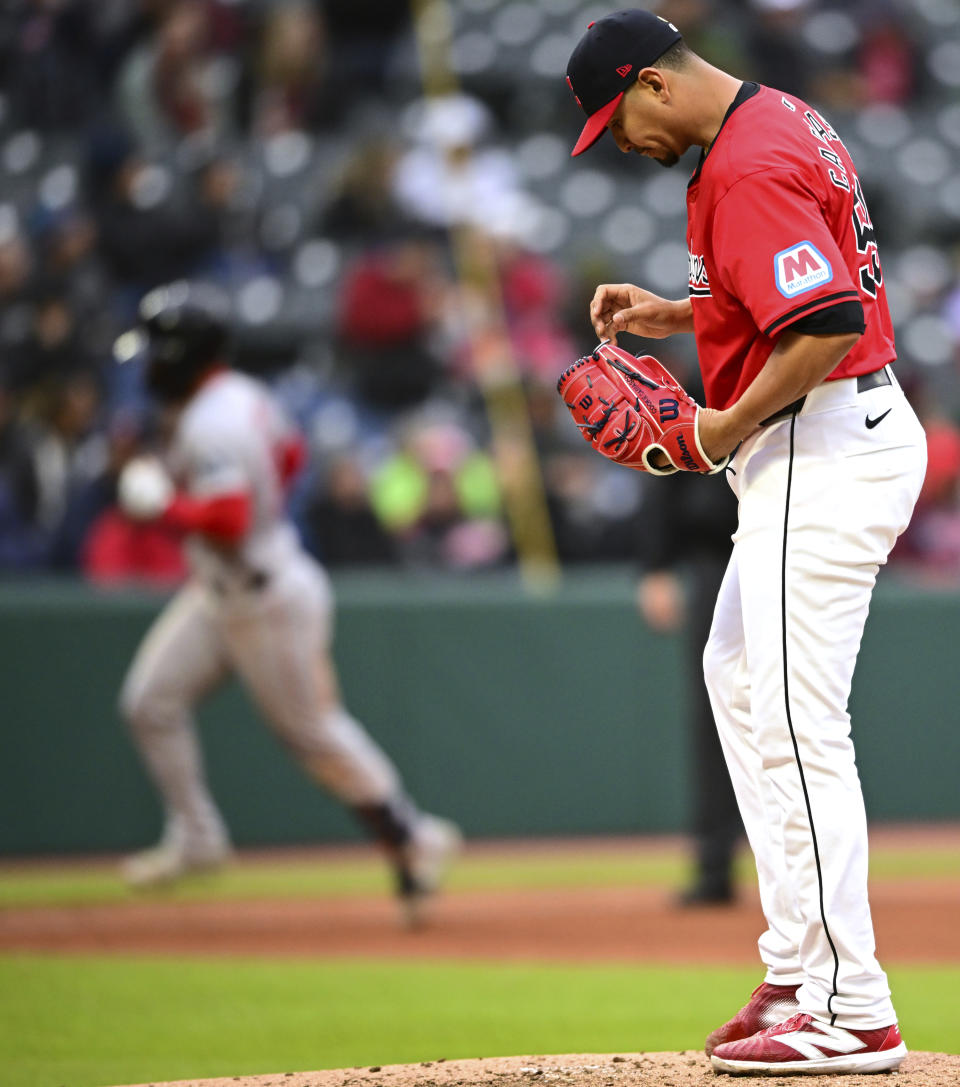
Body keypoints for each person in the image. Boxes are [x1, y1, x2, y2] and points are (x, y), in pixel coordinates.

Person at [566, 9, 926, 1076]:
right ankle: (796, 964)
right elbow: (798, 289)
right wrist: (683, 318)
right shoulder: (775, 119)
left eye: (613, 121)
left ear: (654, 85)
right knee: (736, 676)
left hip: (818, 446)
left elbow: (821, 327)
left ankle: (850, 1002)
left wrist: (717, 427)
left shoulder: (748, 162)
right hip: (831, 434)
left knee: (797, 722)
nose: (618, 144)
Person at [113, 281, 461, 925]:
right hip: (225, 589)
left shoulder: (214, 420)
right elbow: (291, 455)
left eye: (159, 353)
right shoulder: (241, 395)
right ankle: (196, 835)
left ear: (186, 354)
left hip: (261, 594)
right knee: (149, 701)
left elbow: (229, 516)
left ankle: (411, 838)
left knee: (315, 737)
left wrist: (161, 505)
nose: (150, 367)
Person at [634, 460, 742, 907]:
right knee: (717, 721)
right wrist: (657, 564)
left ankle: (812, 876)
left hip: (794, 548)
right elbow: (667, 451)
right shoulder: (700, 387)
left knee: (798, 715)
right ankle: (715, 864)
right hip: (717, 559)